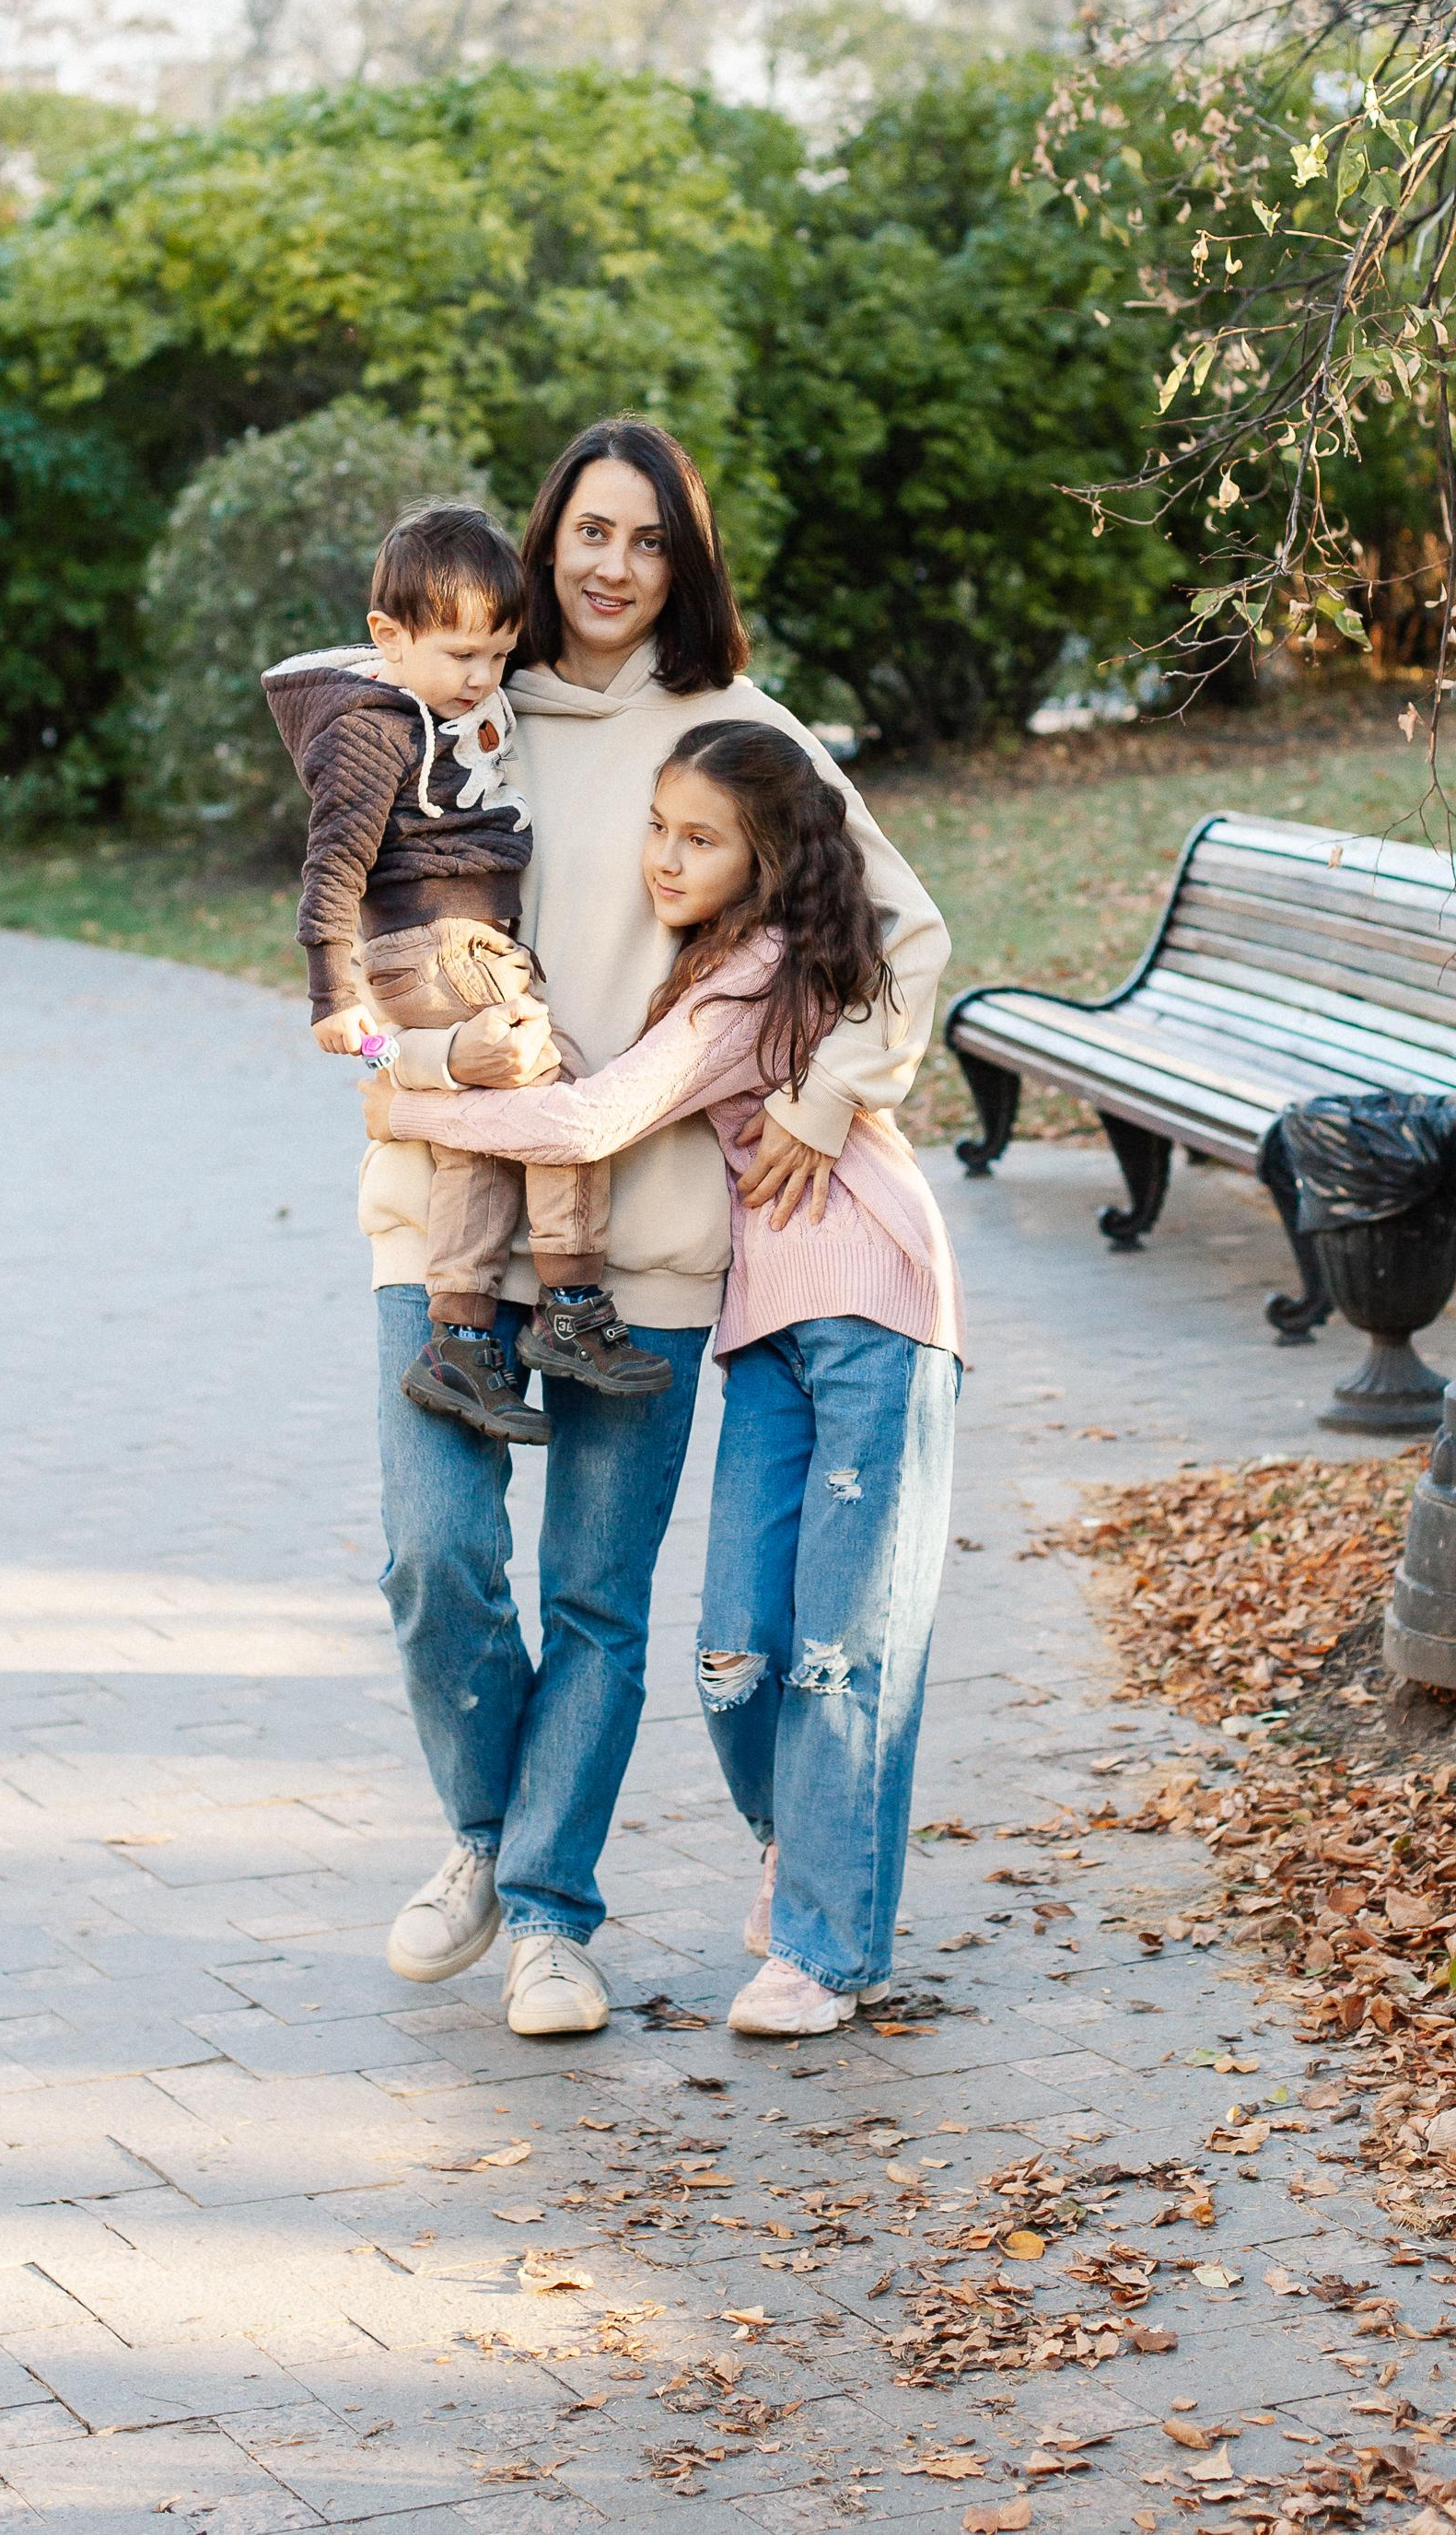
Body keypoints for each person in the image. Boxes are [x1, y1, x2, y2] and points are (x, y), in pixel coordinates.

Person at [359, 418, 948, 2040]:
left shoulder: (736, 726)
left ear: (683, 568)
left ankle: (549, 1913)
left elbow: (903, 927)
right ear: (542, 542)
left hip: (660, 1241)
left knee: (599, 1603)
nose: (613, 568)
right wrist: (417, 1072)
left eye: (649, 542)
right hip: (451, 1223)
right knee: (432, 1555)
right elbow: (351, 955)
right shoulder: (450, 717)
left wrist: (833, 1097)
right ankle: (484, 1835)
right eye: (589, 533)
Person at [264, 502, 670, 1439]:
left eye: (497, 655)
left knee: (482, 1134)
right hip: (440, 941)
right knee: (556, 1083)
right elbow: (332, 861)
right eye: (460, 657)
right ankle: (569, 1306)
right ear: (387, 637)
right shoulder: (370, 729)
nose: (482, 678)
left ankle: (458, 1340)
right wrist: (333, 990)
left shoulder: (435, 696)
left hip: (453, 943)